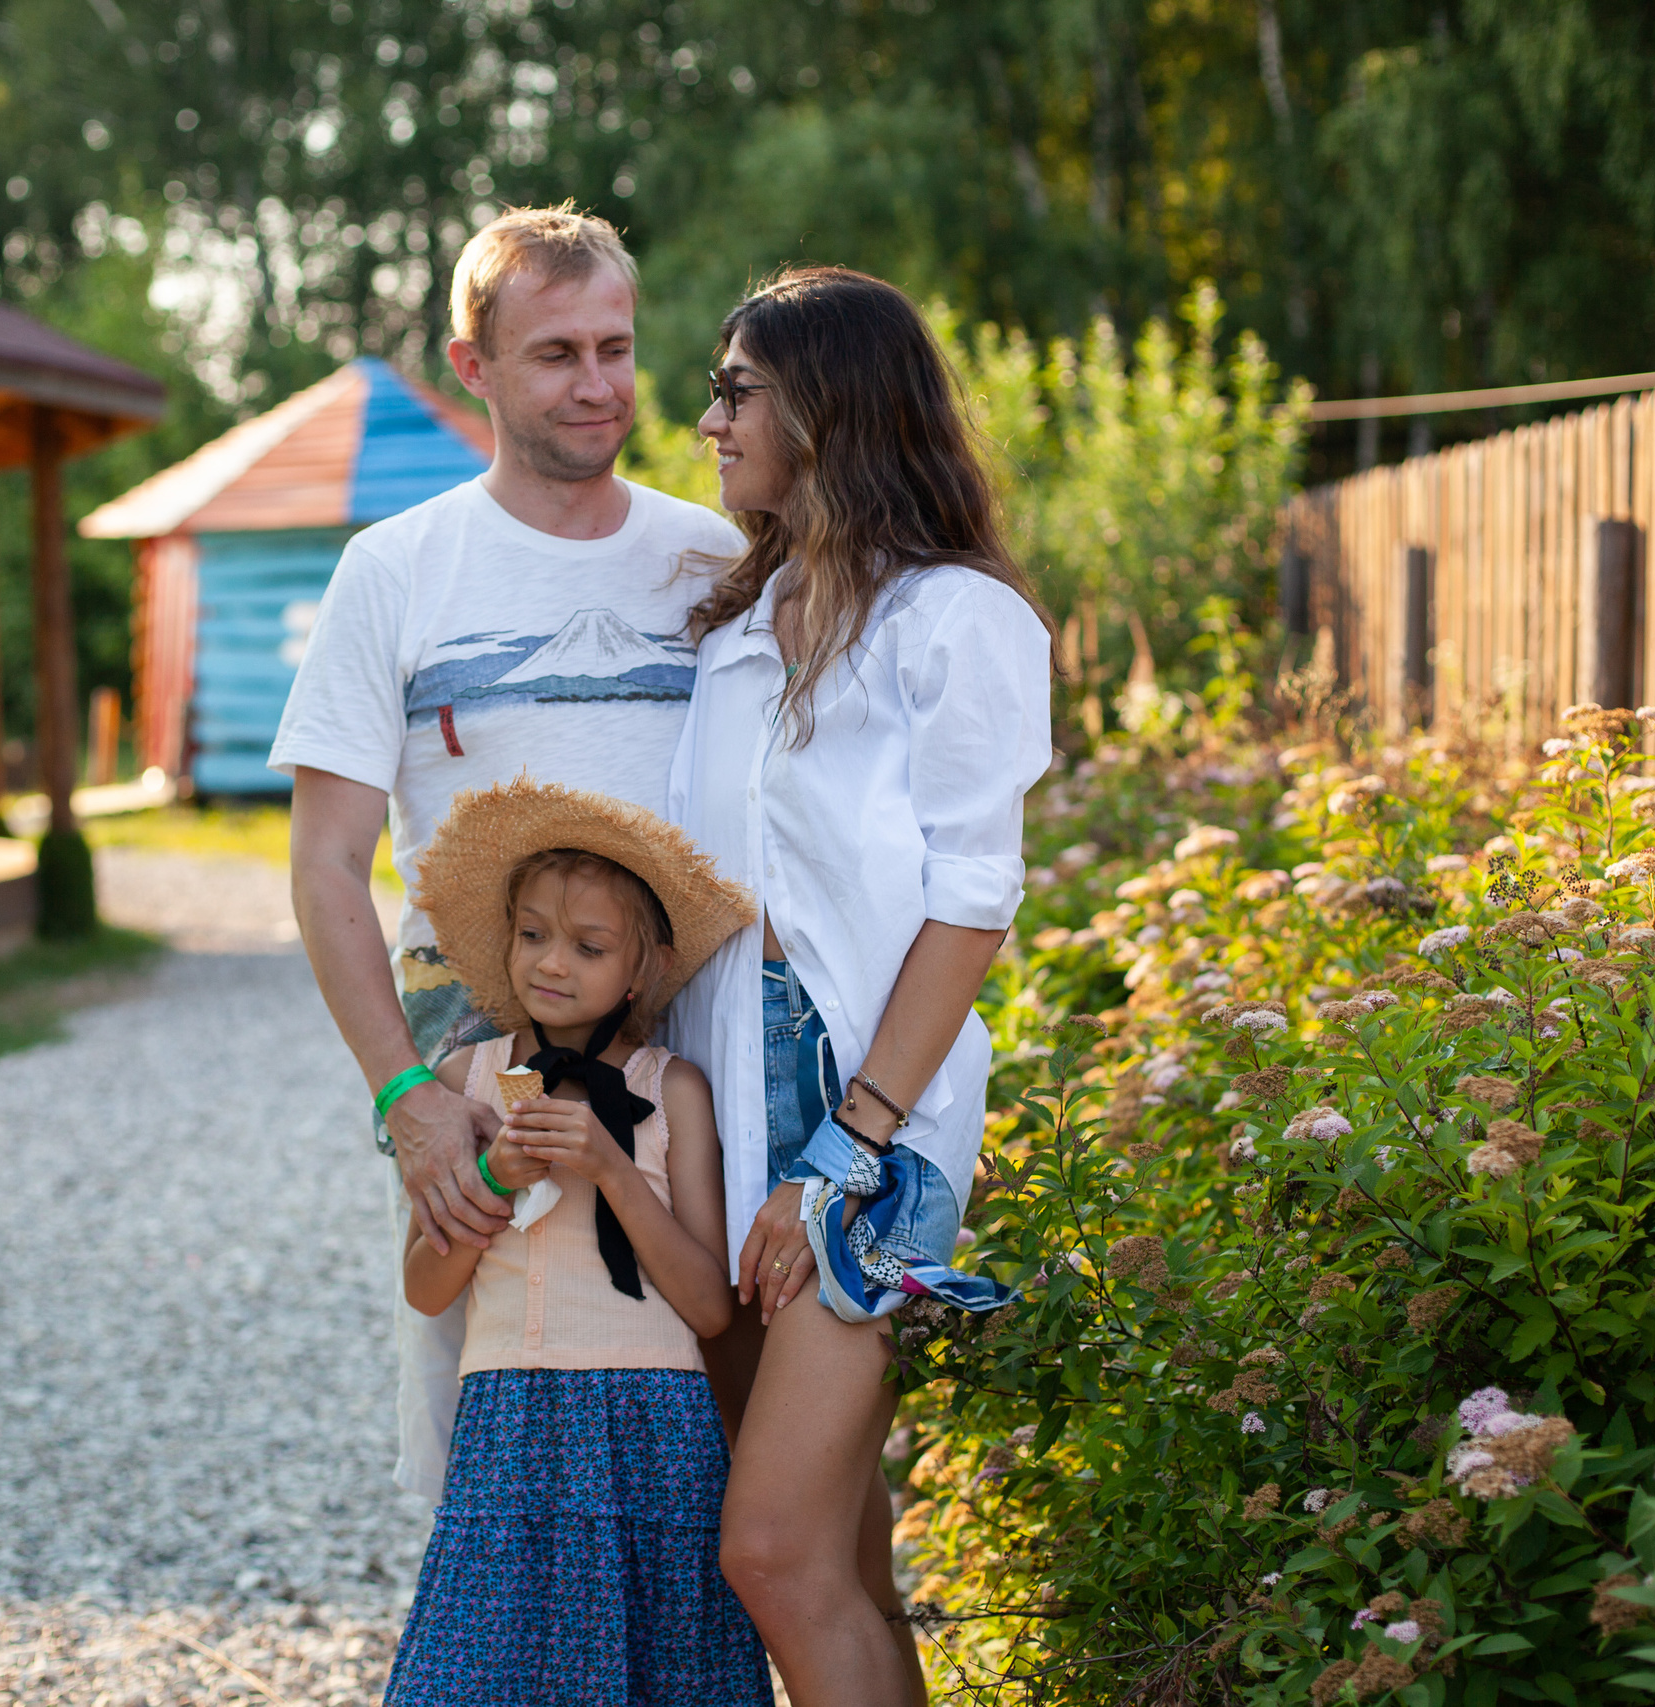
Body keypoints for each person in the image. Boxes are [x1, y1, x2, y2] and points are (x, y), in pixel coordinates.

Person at [274, 205, 742, 1497]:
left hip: (701, 1056)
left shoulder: (715, 557)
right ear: (471, 363)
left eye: (617, 346)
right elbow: (325, 868)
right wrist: (404, 1095)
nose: (598, 384)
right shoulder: (397, 569)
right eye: (556, 354)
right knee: (485, 1431)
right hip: (485, 1064)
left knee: (721, 1426)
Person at [664, 267, 1055, 1706]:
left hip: (863, 1109)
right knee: (838, 1553)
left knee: (766, 1549)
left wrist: (849, 1144)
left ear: (827, 410)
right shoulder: (737, 625)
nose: (709, 420)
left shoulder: (953, 621)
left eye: (738, 389)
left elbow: (973, 898)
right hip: (722, 1095)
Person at [383, 777, 769, 1707]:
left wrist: (611, 1167)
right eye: (532, 935)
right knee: (478, 1672)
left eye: (589, 946)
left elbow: (711, 1305)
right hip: (509, 1417)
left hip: (653, 1421)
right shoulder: (464, 1082)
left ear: (640, 969)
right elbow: (427, 1288)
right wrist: (488, 1179)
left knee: (656, 1674)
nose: (552, 963)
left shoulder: (671, 1090)